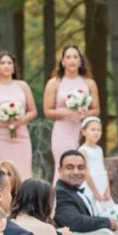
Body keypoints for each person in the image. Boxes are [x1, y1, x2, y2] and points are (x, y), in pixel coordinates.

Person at [44, 45, 100, 183]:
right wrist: (67, 114)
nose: (72, 60)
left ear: (80, 61)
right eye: (68, 57)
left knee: (83, 164)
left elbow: (96, 110)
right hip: (62, 131)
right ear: (63, 61)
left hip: (83, 130)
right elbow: (47, 111)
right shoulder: (54, 83)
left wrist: (85, 113)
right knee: (63, 164)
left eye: (75, 57)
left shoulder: (89, 83)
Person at [0, 51, 36, 180]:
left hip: (21, 136)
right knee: (1, 174)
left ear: (14, 67)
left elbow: (33, 111)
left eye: (9, 63)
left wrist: (20, 122)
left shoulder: (23, 86)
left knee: (23, 172)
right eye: (2, 63)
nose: (6, 66)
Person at [78, 116, 112, 210]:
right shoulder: (83, 150)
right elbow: (86, 172)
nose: (96, 132)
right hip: (91, 185)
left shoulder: (99, 149)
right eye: (93, 130)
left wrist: (107, 190)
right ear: (84, 132)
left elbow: (103, 169)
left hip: (102, 183)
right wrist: (95, 192)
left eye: (99, 130)